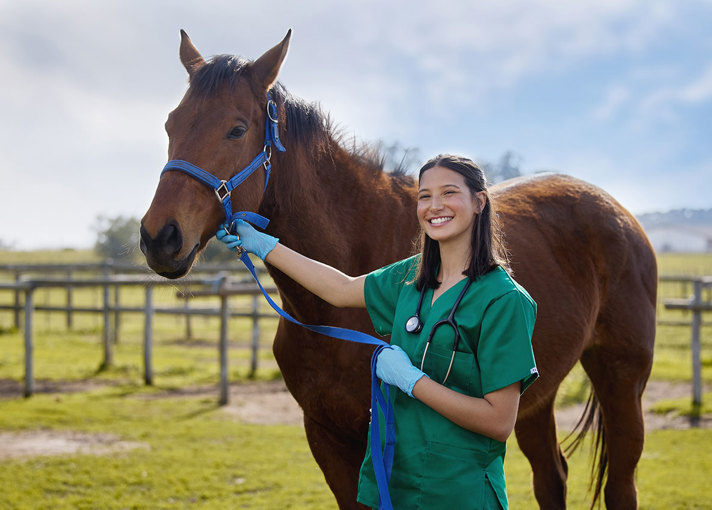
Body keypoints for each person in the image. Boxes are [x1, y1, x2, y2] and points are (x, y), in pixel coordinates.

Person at [217, 154, 538, 509]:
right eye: (425, 196)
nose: (435, 206)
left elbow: (498, 421)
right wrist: (265, 246)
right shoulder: (412, 278)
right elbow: (339, 288)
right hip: (394, 484)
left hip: (458, 491)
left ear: (479, 202)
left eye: (449, 193)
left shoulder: (504, 300)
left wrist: (411, 381)